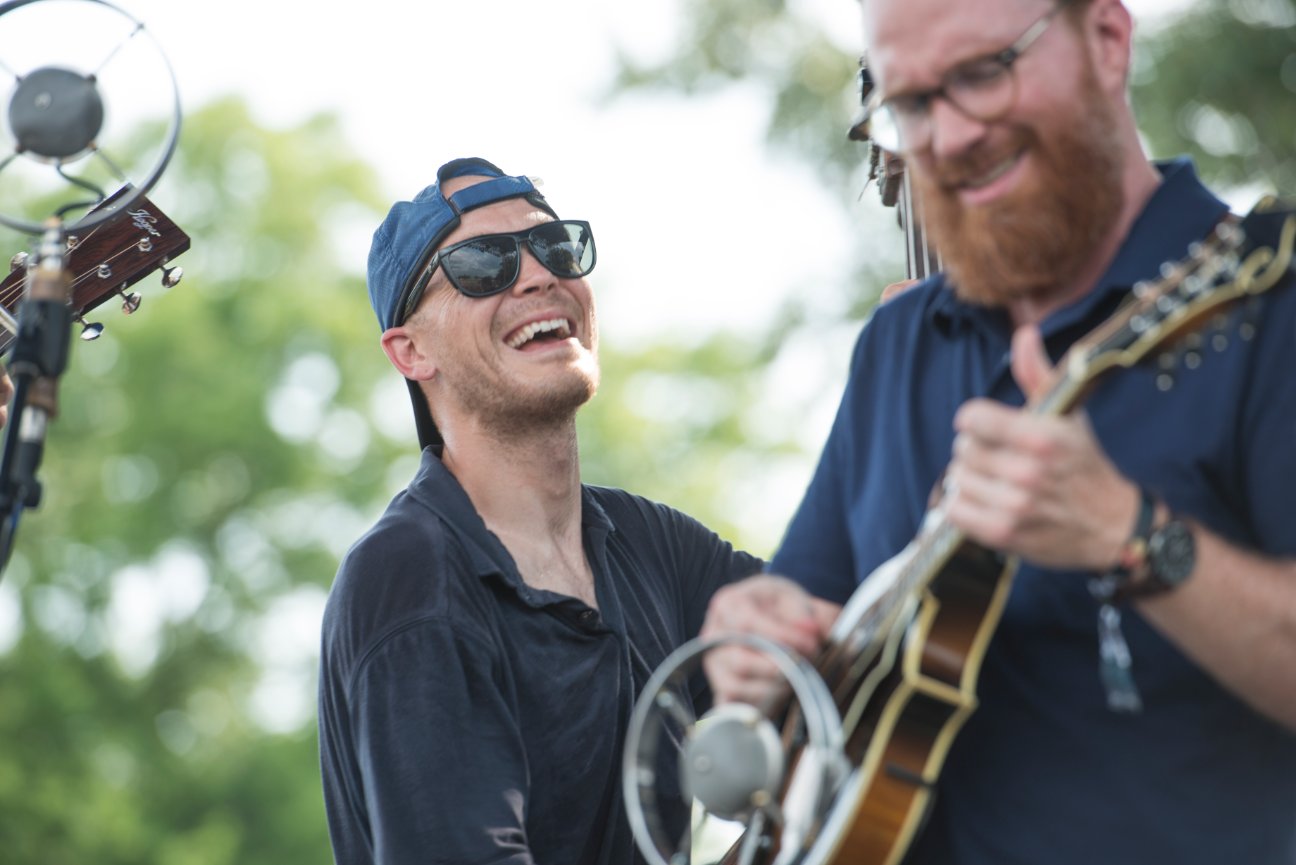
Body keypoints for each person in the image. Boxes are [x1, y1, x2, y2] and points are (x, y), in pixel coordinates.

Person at [701, 1, 1296, 863]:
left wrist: (1132, 535)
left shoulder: (1267, 304)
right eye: (911, 103)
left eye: (982, 73)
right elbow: (804, 657)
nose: (947, 137)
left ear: (1107, 40)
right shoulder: (898, 343)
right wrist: (758, 653)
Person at [316, 157, 762, 865]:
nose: (536, 276)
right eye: (481, 264)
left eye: (556, 246)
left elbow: (856, 647)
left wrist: (908, 380)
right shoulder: (412, 581)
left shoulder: (650, 544)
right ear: (410, 352)